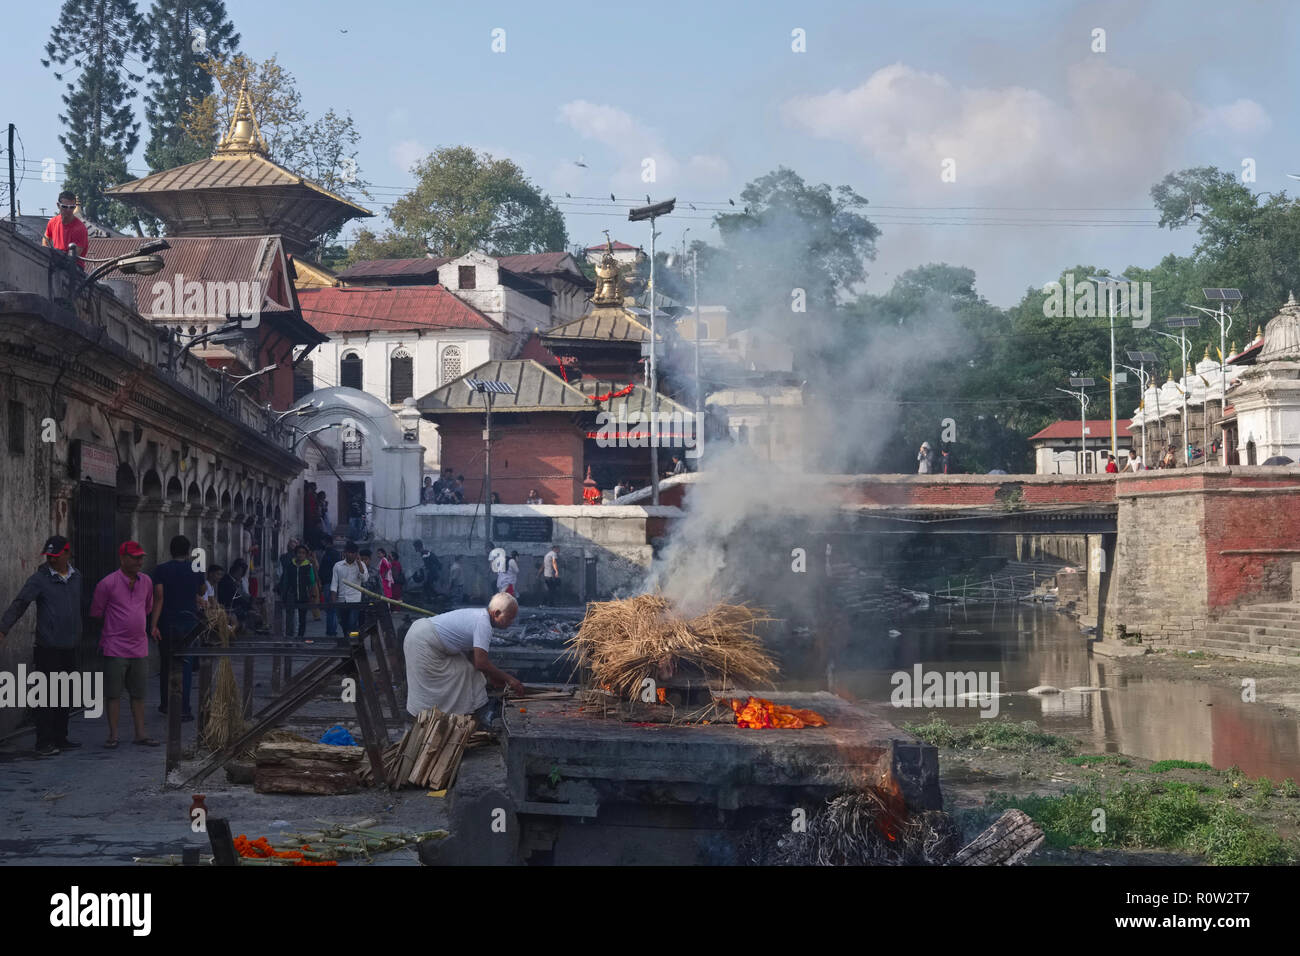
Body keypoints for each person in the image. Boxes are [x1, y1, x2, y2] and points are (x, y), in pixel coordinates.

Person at [0, 536, 84, 756]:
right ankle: (44, 742)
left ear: (67, 554)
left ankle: (61, 737)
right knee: (46, 697)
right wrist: (3, 628)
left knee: (65, 694)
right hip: (48, 647)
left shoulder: (77, 578)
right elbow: (20, 603)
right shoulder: (39, 579)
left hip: (70, 645)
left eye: (56, 556)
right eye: (49, 556)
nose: (52, 560)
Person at [402, 593, 524, 726]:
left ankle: (474, 715)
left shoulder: (481, 617)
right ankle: (429, 719)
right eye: (510, 618)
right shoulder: (483, 625)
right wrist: (509, 679)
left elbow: (474, 658)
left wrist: (492, 676)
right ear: (497, 613)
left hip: (424, 635)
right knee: (436, 684)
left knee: (468, 670)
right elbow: (481, 663)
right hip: (422, 642)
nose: (511, 623)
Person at [90, 542, 160, 748]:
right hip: (115, 646)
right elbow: (96, 612)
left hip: (139, 646)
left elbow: (148, 606)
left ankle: (141, 733)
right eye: (135, 557)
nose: (140, 561)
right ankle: (113, 735)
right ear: (123, 559)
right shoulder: (107, 583)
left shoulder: (146, 581)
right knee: (113, 693)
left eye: (141, 557)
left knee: (139, 693)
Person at [150, 535, 205, 721]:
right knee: (186, 664)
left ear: (170, 550)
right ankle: (183, 707)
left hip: (167, 620)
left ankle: (166, 704)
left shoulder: (161, 570)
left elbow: (159, 597)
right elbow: (201, 591)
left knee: (166, 662)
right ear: (188, 551)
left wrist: (153, 623)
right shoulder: (195, 569)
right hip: (189, 621)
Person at [43, 190, 89, 269]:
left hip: (75, 270)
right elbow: (46, 239)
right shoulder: (52, 222)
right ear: (58, 205)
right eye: (64, 207)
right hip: (57, 262)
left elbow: (74, 255)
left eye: (72, 207)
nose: (68, 210)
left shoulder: (80, 228)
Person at [329, 541, 367, 636]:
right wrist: (333, 600)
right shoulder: (338, 565)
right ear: (345, 553)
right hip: (342, 599)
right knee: (343, 623)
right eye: (348, 552)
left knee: (352, 623)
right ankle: (347, 640)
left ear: (356, 554)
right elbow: (334, 584)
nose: (350, 555)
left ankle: (353, 643)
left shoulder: (361, 565)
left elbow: (364, 579)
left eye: (353, 552)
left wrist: (359, 563)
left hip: (355, 599)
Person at [287, 544, 319, 639]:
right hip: (292, 595)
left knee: (302, 619)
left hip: (304, 596)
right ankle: (290, 636)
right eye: (299, 553)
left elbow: (312, 582)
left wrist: (312, 595)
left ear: (306, 555)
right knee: (290, 619)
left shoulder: (308, 566)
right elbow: (286, 579)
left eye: (303, 553)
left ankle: (300, 637)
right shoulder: (290, 565)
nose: (300, 555)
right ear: (295, 554)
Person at [277, 537, 301, 636]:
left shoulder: (298, 559)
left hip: (290, 588)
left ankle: (290, 633)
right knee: (292, 612)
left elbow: (279, 573)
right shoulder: (285, 558)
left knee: (291, 613)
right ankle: (291, 634)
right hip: (289, 588)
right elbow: (279, 573)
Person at [319, 537, 342, 636]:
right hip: (332, 583)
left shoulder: (327, 554)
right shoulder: (335, 554)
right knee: (332, 608)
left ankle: (331, 629)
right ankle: (331, 629)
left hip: (329, 583)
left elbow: (322, 570)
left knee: (331, 608)